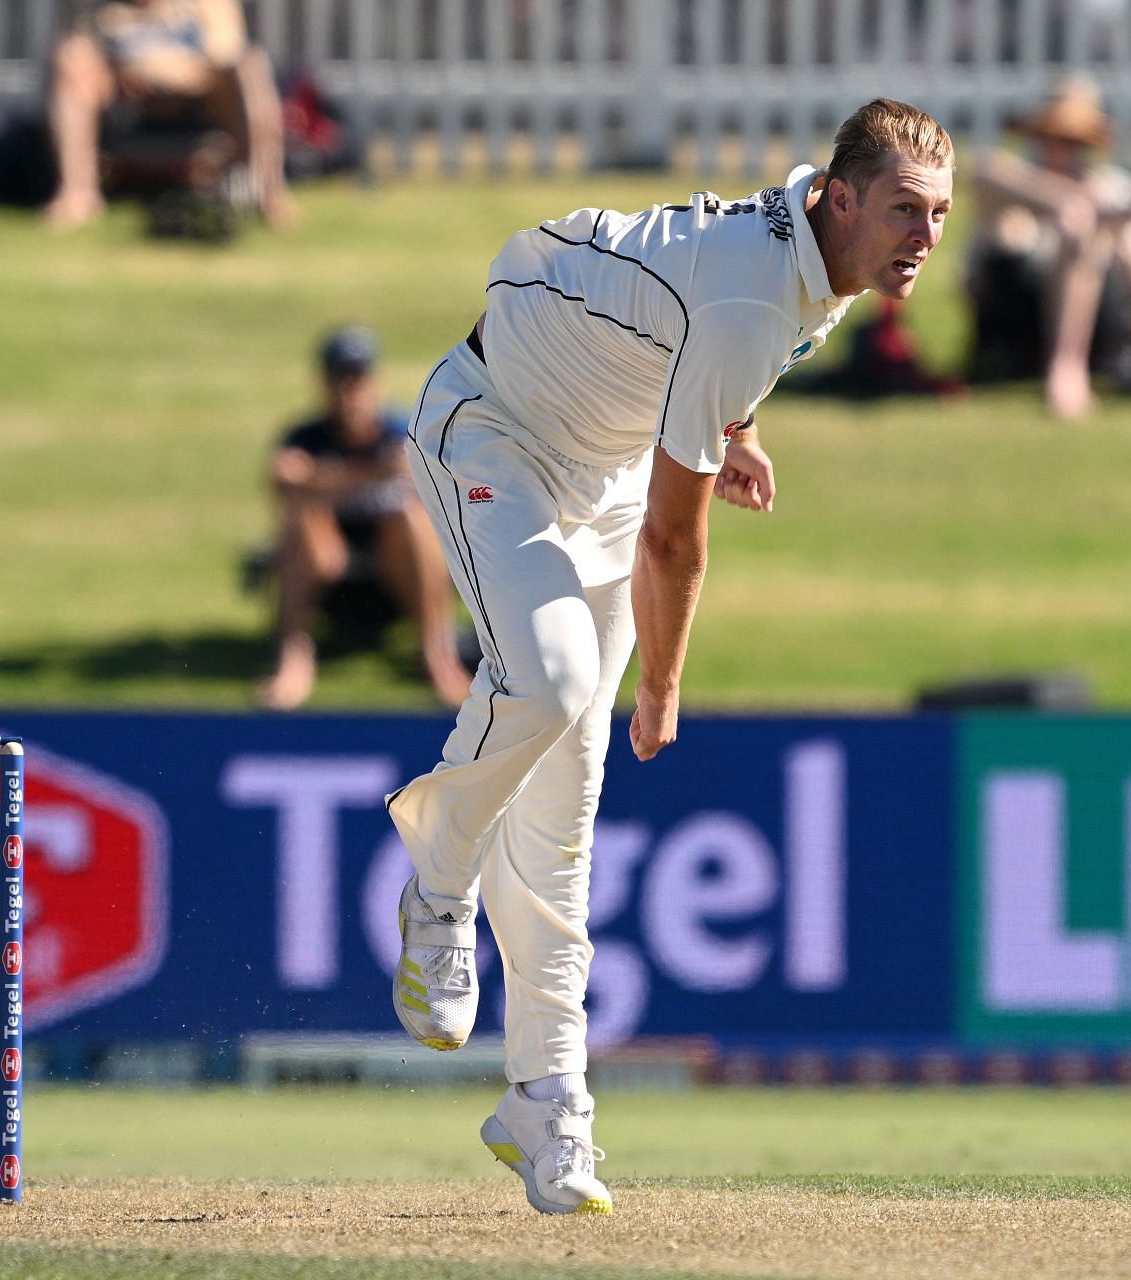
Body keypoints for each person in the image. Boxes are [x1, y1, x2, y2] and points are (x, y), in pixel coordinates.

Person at [385, 99, 954, 1216]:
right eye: (903, 210)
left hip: (599, 479)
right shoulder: (762, 283)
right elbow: (676, 539)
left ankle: (547, 1103)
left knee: (566, 816)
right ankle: (439, 882)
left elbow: (676, 327)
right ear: (841, 200)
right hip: (491, 427)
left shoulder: (819, 260)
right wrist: (662, 685)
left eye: (938, 215)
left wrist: (730, 431)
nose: (924, 237)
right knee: (548, 681)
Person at [258, 327, 473, 711]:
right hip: (328, 575)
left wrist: (323, 476)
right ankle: (293, 656)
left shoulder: (402, 430)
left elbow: (439, 481)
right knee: (303, 514)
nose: (349, 392)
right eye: (340, 380)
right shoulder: (308, 435)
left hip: (399, 578)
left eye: (357, 379)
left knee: (410, 515)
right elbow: (281, 478)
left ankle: (438, 657)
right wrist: (368, 472)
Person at [965, 78, 1131, 419]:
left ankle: (1067, 368)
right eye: (1052, 136)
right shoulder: (1012, 181)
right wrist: (1067, 201)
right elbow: (981, 178)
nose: (1061, 148)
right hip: (1018, 306)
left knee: (1081, 231)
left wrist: (1103, 221)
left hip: (1101, 315)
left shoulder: (1112, 184)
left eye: (1072, 140)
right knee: (1059, 219)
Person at [43, 0, 294, 229]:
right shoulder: (102, 10)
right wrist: (133, 73)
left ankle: (267, 192)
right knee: (71, 59)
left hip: (197, 101)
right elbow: (86, 52)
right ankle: (78, 194)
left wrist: (165, 72)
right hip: (124, 102)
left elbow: (225, 55)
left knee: (251, 66)